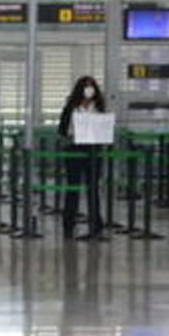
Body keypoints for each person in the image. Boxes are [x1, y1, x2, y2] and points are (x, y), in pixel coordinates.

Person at [57, 76, 107, 239]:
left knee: (92, 188)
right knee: (73, 188)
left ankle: (96, 224)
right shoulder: (72, 107)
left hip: (93, 149)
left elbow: (103, 126)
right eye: (86, 86)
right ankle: (69, 223)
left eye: (91, 86)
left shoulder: (98, 106)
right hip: (74, 148)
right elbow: (62, 129)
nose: (89, 89)